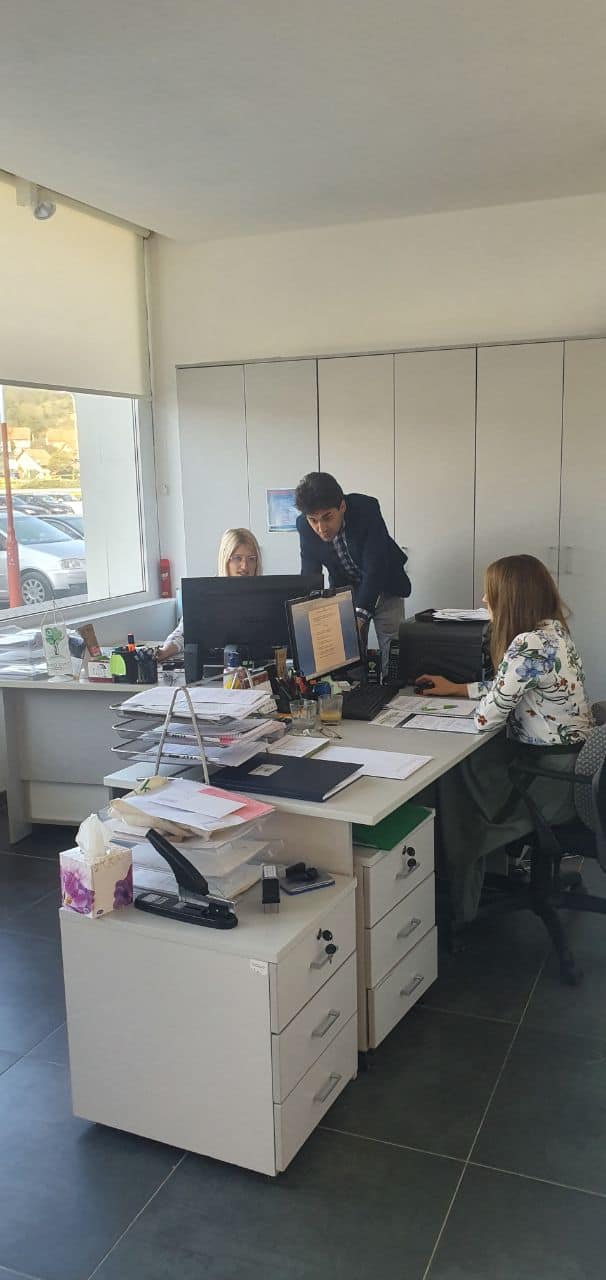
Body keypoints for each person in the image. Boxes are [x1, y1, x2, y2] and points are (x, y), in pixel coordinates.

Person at [417, 554, 594, 923]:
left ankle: (456, 901)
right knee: (471, 769)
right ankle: (464, 882)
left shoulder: (528, 643)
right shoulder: (554, 632)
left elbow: (485, 719)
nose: (484, 600)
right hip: (570, 771)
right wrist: (459, 688)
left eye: (490, 592)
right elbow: (517, 686)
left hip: (547, 784)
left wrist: (470, 702)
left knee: (451, 781)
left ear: (511, 598)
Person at [294, 471, 411, 671]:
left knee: (392, 649)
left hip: (385, 584)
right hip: (347, 590)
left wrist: (360, 617)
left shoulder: (366, 509)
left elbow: (375, 566)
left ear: (342, 506)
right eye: (313, 520)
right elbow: (310, 575)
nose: (321, 528)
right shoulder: (304, 526)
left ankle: (393, 687)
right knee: (349, 652)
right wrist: (306, 619)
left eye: (327, 518)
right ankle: (357, 689)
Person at [155, 527, 263, 663]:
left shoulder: (266, 596)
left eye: (251, 559)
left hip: (258, 666)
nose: (245, 566)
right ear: (225, 559)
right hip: (217, 667)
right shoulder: (206, 594)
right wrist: (164, 651)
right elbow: (182, 634)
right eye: (237, 558)